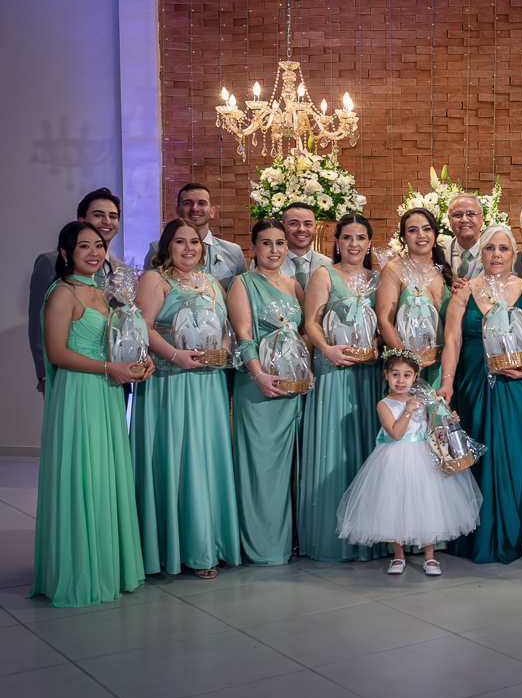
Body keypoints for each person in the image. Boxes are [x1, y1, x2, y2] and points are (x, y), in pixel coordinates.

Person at [29, 221, 151, 607]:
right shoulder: (61, 292)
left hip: (107, 390)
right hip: (80, 391)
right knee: (84, 472)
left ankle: (106, 564)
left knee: (104, 474)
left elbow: (118, 342)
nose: (94, 252)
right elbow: (56, 353)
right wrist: (109, 368)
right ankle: (81, 569)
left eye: (98, 245)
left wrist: (139, 359)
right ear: (66, 253)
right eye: (84, 246)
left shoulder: (102, 291)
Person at [132, 219, 241, 578]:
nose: (189, 248)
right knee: (178, 457)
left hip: (208, 382)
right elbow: (143, 326)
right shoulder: (154, 279)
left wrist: (222, 349)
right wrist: (175, 355)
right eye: (180, 242)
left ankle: (207, 543)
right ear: (167, 246)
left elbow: (224, 328)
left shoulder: (211, 282)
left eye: (194, 242)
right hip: (170, 382)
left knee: (206, 458)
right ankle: (175, 547)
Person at [438, 225, 522, 564]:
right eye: (490, 248)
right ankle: (472, 535)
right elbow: (452, 341)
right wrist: (448, 382)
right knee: (474, 453)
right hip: (472, 383)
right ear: (480, 254)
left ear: (514, 254)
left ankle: (513, 533)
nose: (496, 254)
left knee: (514, 454)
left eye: (504, 248)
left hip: (514, 385)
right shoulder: (464, 291)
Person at [337, 349, 482, 577]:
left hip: (422, 457)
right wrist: (408, 409)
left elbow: (432, 428)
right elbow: (395, 433)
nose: (401, 380)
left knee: (427, 503)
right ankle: (398, 556)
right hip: (394, 458)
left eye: (407, 375)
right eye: (395, 374)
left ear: (415, 377)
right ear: (386, 375)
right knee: (395, 504)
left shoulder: (422, 399)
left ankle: (429, 557)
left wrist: (449, 420)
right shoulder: (384, 404)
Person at [299, 214, 387, 562]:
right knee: (334, 447)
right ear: (336, 242)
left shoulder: (379, 279)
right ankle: (331, 537)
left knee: (367, 448)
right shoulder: (324, 275)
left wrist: (376, 346)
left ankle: (370, 536)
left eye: (361, 237)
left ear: (369, 243)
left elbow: (383, 325)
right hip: (334, 370)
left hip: (368, 374)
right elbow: (311, 323)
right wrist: (327, 349)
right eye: (347, 237)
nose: (354, 244)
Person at [228, 219, 306, 567]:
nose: (274, 250)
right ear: (253, 247)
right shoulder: (242, 283)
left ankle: (289, 539)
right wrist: (258, 374)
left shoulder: (294, 285)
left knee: (289, 467)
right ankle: (261, 547)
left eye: (280, 243)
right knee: (260, 467)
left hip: (292, 387)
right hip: (257, 385)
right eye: (266, 243)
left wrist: (306, 369)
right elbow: (243, 334)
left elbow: (303, 334)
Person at [29, 188, 126, 393]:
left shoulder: (122, 270)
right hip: (73, 377)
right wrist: (45, 375)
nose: (107, 221)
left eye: (113, 216)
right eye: (98, 215)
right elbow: (39, 324)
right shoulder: (51, 261)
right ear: (81, 220)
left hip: (117, 375)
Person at [377, 207, 454, 387]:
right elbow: (384, 321)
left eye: (427, 229)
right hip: (406, 370)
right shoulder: (394, 269)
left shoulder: (444, 269)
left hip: (443, 366)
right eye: (413, 230)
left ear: (435, 234)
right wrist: (409, 360)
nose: (421, 235)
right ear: (403, 238)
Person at [144, 183, 247, 290]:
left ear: (212, 212)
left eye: (202, 203)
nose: (195, 208)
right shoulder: (158, 248)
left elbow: (243, 292)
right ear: (178, 211)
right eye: (187, 203)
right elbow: (148, 289)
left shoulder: (234, 252)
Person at [277, 201, 333, 288]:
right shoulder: (263, 264)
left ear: (315, 227)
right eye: (294, 223)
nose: (301, 229)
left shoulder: (330, 265)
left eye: (308, 224)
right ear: (281, 226)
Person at [447, 194, 485, 281]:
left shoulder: (496, 253)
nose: (464, 219)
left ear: (481, 218)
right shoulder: (439, 252)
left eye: (471, 214)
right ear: (449, 220)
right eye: (458, 215)